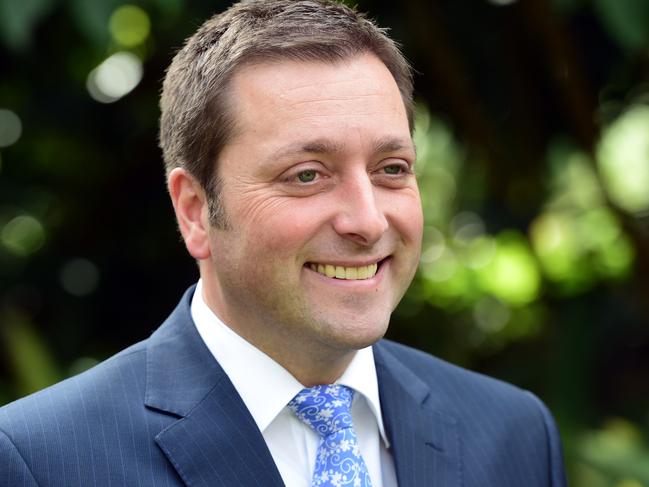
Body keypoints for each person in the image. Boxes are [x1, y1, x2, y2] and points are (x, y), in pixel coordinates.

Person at [0, 1, 567, 486]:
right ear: (195, 211)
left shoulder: (513, 435)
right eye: (306, 175)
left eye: (391, 168)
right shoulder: (41, 460)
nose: (367, 222)